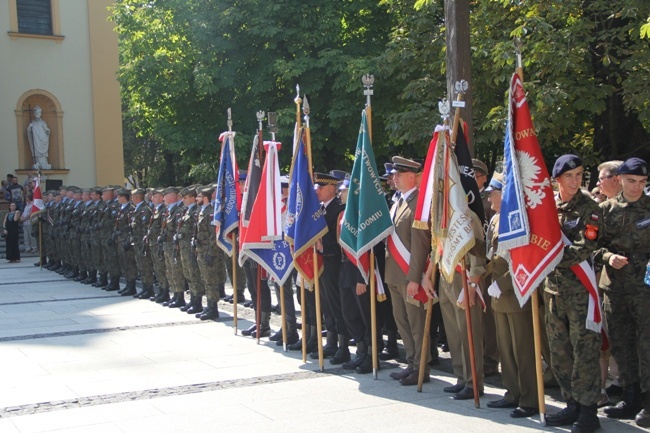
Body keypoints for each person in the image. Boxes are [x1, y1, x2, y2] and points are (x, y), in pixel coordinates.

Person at [544, 155, 602, 433]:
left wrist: (550, 256)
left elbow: (584, 247)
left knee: (584, 352)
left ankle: (589, 411)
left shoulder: (590, 207)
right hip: (553, 290)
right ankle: (572, 404)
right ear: (557, 180)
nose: (576, 180)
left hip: (580, 291)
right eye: (570, 176)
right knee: (559, 352)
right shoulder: (547, 207)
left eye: (579, 175)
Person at [595, 157, 650, 428]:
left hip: (644, 287)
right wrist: (608, 256)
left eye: (642, 182)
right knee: (621, 342)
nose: (636, 187)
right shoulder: (605, 209)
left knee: (646, 342)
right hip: (615, 285)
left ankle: (648, 400)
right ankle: (630, 395)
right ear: (620, 180)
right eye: (631, 181)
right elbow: (592, 245)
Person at [484, 172, 538, 417]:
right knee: (505, 348)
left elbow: (522, 261)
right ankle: (512, 392)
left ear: (504, 194)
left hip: (516, 293)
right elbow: (491, 255)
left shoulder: (518, 219)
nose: (488, 200)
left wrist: (502, 284)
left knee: (523, 349)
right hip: (499, 296)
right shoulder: (496, 220)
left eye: (492, 194)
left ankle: (530, 399)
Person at [385, 156, 432, 386]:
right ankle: (411, 363)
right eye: (394, 174)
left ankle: (421, 366)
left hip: (408, 275)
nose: (394, 178)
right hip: (394, 273)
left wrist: (415, 278)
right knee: (402, 321)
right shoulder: (399, 202)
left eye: (399, 174)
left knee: (416, 323)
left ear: (412, 176)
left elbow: (420, 244)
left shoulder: (419, 204)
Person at [27, 105, 52, 170]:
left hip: (43, 140)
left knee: (43, 154)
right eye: (36, 113)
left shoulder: (43, 122)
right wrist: (29, 128)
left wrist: (47, 131)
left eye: (38, 113)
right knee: (37, 152)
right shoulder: (32, 123)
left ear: (40, 113)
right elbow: (29, 132)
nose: (37, 114)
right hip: (36, 140)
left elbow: (47, 130)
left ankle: (44, 164)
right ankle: (38, 164)